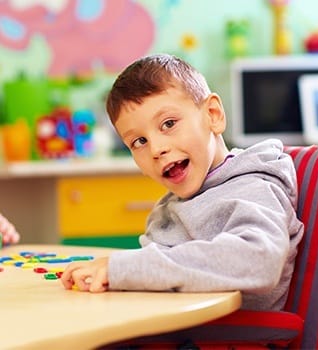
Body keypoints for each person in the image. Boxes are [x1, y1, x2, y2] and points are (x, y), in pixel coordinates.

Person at [61, 53, 304, 311]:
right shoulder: (169, 208)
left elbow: (259, 260)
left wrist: (123, 268)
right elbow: (156, 275)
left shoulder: (251, 186)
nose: (156, 149)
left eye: (168, 124)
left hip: (226, 338)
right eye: (139, 142)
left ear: (212, 115)